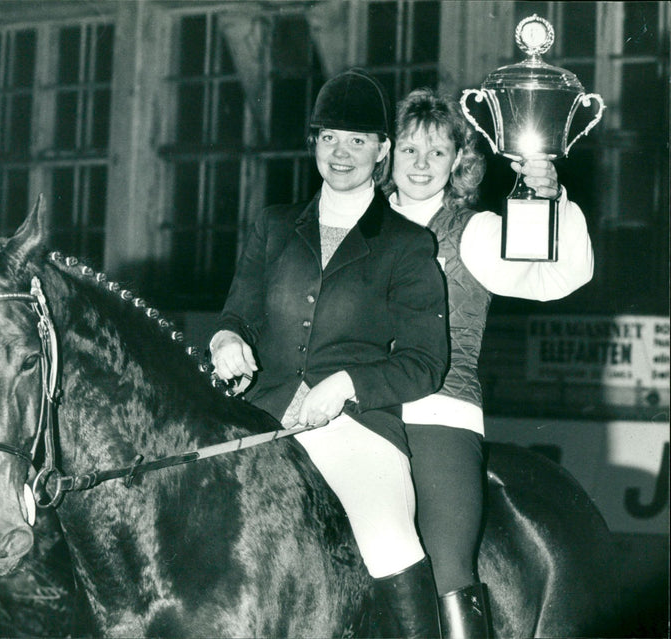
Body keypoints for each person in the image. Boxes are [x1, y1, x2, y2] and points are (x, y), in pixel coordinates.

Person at [209, 69, 449, 637]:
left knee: (387, 534)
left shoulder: (408, 245)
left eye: (359, 141)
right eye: (329, 138)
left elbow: (425, 363)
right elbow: (235, 313)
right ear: (314, 143)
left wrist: (344, 385)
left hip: (357, 428)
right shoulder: (272, 226)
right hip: (259, 415)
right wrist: (226, 341)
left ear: (383, 150)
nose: (341, 153)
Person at [386, 87, 594, 638]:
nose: (422, 165)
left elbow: (559, 278)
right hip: (356, 412)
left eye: (437, 152)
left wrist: (550, 201)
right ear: (388, 155)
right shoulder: (361, 224)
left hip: (438, 412)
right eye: (410, 150)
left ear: (459, 159)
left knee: (447, 566)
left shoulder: (474, 231)